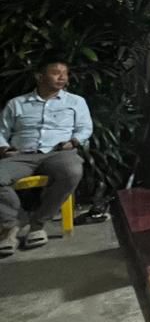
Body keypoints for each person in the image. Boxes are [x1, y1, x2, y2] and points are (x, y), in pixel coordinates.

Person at [0, 54, 93, 256]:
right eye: (56, 73)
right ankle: (12, 223)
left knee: (72, 171)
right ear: (39, 76)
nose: (62, 77)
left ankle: (37, 224)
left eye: (65, 74)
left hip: (58, 153)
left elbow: (85, 128)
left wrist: (73, 142)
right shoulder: (17, 103)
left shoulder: (76, 102)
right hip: (21, 155)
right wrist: (4, 148)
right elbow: (1, 131)